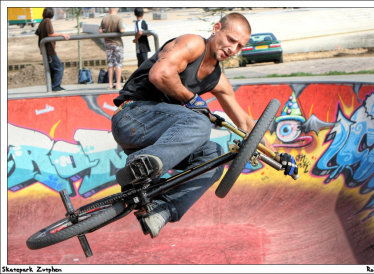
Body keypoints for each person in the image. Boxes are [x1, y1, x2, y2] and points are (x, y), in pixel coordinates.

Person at [111, 13, 298, 238]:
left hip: (156, 137)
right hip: (132, 116)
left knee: (214, 156)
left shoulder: (217, 78)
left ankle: (161, 209)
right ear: (216, 28)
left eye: (240, 46)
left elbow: (246, 123)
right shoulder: (193, 44)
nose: (233, 49)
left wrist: (278, 156)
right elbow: (160, 74)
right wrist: (192, 99)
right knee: (200, 121)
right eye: (230, 39)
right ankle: (140, 169)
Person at [35, 7, 70, 92]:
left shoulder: (42, 22)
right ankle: (56, 86)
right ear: (51, 14)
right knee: (59, 67)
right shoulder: (47, 21)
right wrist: (62, 34)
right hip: (49, 50)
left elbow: (37, 33)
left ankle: (52, 86)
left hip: (45, 50)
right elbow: (50, 34)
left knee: (52, 69)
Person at [99, 8, 125, 90]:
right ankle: (118, 84)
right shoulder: (119, 18)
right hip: (117, 43)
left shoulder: (104, 18)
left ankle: (110, 84)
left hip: (108, 43)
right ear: (116, 9)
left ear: (108, 9)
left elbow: (100, 30)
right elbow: (122, 30)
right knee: (118, 64)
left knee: (110, 64)